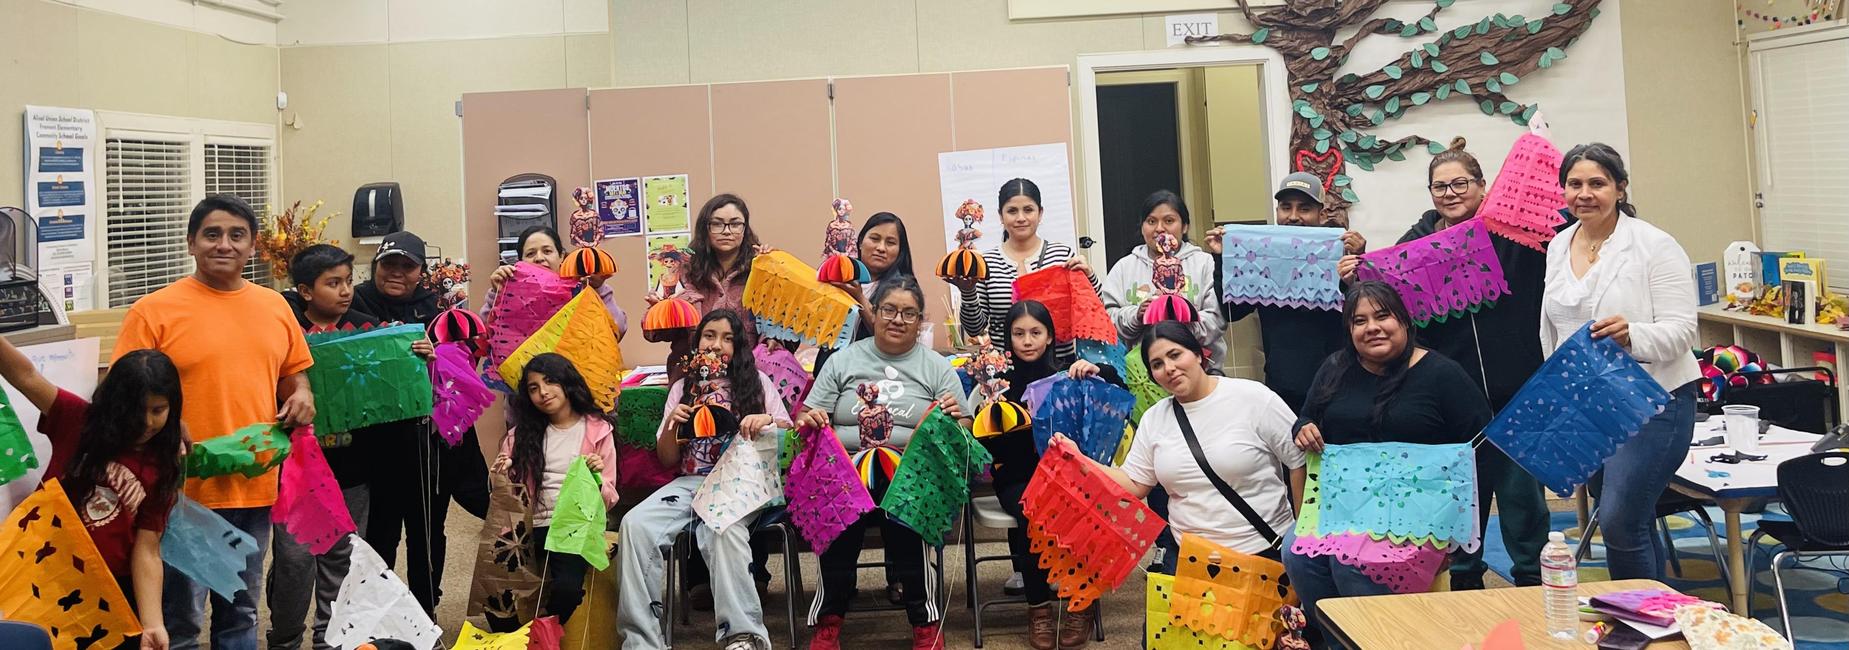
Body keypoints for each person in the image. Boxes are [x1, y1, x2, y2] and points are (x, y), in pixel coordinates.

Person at [114, 194, 316, 650]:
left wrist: (302, 394)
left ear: (253, 247)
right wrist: (170, 424)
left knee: (240, 611)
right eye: (212, 234)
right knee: (179, 618)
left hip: (255, 484)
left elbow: (292, 374)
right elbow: (123, 394)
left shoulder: (274, 307)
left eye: (236, 235)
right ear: (191, 243)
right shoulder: (154, 311)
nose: (223, 244)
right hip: (179, 490)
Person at [1381, 138, 1564, 589]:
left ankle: (1531, 585)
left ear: (1483, 186)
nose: (1450, 193)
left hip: (1519, 392)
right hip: (1451, 401)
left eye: (1460, 183)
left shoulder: (1514, 236)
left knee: (1524, 502)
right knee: (1459, 503)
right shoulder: (1416, 245)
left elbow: (1561, 227)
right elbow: (1380, 291)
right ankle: (1464, 589)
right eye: (1439, 186)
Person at [1284, 282, 1491, 634]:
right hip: (1345, 507)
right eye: (1359, 321)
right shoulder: (1335, 368)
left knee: (1352, 564)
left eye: (1383, 316)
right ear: (1349, 331)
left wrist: (1460, 541)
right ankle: (1338, 642)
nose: (1372, 327)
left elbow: (1481, 454)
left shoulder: (1443, 374)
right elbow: (1306, 418)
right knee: (1296, 552)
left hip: (1422, 518)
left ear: (1405, 322)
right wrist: (1303, 427)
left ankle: (1382, 639)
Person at [1542, 143, 1698, 581]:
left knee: (1618, 519)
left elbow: (1685, 330)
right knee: (1633, 516)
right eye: (1575, 184)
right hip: (1592, 403)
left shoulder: (1655, 246)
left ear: (1620, 188)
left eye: (1597, 183)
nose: (1584, 194)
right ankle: (1660, 616)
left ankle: (1637, 624)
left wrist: (1633, 333)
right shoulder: (1558, 246)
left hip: (1654, 400)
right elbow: (1552, 329)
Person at [794, 276, 972, 650]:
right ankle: (828, 620)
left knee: (908, 510)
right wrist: (809, 420)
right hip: (846, 469)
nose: (897, 319)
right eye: (889, 310)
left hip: (911, 469)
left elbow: (965, 428)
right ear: (873, 313)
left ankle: (925, 623)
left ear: (920, 321)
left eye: (909, 313)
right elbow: (808, 419)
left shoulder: (936, 367)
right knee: (837, 517)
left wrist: (956, 419)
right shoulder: (844, 360)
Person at [269, 244, 427, 650]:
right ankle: (284, 639)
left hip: (353, 469)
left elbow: (388, 389)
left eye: (347, 281)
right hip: (296, 472)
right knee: (294, 561)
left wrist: (416, 359)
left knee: (342, 555)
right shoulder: (283, 330)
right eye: (332, 283)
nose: (345, 291)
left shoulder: (366, 327)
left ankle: (332, 639)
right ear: (305, 291)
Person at [616, 309, 790, 650]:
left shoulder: (757, 383)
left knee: (720, 526)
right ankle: (641, 640)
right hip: (690, 482)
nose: (717, 344)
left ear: (739, 347)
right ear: (697, 343)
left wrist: (764, 418)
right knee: (634, 524)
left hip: (742, 481)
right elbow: (667, 458)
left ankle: (742, 635)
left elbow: (788, 437)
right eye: (709, 336)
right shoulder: (683, 388)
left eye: (728, 338)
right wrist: (672, 427)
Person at [0, 336, 183, 650]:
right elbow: (25, 375)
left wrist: (152, 622)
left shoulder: (164, 463)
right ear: (114, 404)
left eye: (158, 410)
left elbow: (148, 548)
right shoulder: (76, 421)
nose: (146, 422)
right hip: (40, 580)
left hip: (110, 597)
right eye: (135, 410)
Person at [352, 229, 489, 614]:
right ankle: (376, 615)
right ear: (376, 266)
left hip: (426, 444)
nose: (396, 272)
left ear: (420, 272)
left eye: (406, 266)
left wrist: (437, 359)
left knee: (427, 531)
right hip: (373, 443)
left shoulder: (438, 313)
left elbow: (463, 375)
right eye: (388, 264)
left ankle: (424, 611)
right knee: (378, 532)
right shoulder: (354, 304)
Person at [976, 300, 1119, 650]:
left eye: (1035, 333)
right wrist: (988, 413)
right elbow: (989, 449)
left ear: (1050, 336)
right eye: (1019, 333)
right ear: (1008, 338)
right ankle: (1038, 607)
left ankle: (1079, 603)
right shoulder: (997, 384)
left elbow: (1115, 386)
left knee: (1080, 508)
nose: (1027, 341)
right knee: (1031, 509)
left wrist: (1096, 368)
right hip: (1018, 476)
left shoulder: (1068, 372)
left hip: (1070, 475)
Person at [1207, 172, 1365, 411]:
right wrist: (1222, 259)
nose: (1293, 217)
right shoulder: (1262, 255)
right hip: (1281, 387)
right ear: (1277, 211)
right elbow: (1233, 312)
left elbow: (1361, 311)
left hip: (1336, 384)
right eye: (1285, 207)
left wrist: (1361, 263)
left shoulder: (1342, 250)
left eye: (1304, 208)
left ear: (1321, 215)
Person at [492, 353, 619, 624]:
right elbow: (505, 497)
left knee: (568, 589)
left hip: (573, 525)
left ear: (567, 382)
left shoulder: (598, 430)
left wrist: (596, 479)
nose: (543, 392)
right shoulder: (520, 435)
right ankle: (513, 639)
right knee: (493, 588)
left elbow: (609, 497)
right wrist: (501, 475)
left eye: (550, 381)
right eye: (533, 387)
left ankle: (543, 633)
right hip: (528, 524)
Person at [954, 178, 1097, 353]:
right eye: (1012, 211)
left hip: (1059, 372)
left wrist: (1090, 277)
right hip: (1006, 373)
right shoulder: (986, 263)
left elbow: (1092, 315)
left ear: (1040, 213)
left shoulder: (1062, 257)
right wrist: (968, 292)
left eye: (1028, 210)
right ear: (1001, 215)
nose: (1021, 218)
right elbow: (975, 328)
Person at [1101, 190, 1227, 362]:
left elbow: (1218, 319)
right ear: (1142, 226)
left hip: (1201, 369)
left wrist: (1182, 319)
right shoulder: (1124, 267)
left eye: (1169, 221)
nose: (1159, 229)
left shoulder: (1205, 264)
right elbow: (1107, 320)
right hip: (1141, 377)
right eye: (1151, 221)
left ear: (1184, 226)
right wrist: (1137, 315)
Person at [653, 193, 763, 374]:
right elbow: (656, 334)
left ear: (745, 229)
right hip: (692, 377)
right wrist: (659, 312)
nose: (727, 231)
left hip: (748, 378)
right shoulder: (682, 272)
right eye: (718, 224)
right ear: (706, 228)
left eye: (735, 224)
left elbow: (779, 326)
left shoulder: (760, 270)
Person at [482, 225, 630, 342]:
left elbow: (617, 330)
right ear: (520, 262)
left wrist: (597, 289)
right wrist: (498, 294)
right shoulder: (511, 294)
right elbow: (485, 335)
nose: (539, 258)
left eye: (547, 251)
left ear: (561, 257)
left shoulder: (580, 287)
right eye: (530, 254)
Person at [815, 211, 917, 373]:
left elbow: (892, 334)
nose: (881, 248)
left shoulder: (903, 289)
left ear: (900, 251)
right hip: (830, 373)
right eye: (874, 239)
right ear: (860, 242)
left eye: (890, 242)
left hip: (874, 378)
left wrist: (859, 297)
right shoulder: (840, 274)